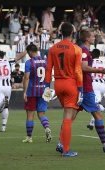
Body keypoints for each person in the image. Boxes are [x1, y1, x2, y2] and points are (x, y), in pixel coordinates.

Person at [43, 22, 83, 157]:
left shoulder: (53, 48)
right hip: (71, 84)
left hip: (58, 84)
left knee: (69, 115)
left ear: (60, 33)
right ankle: (65, 149)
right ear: (72, 32)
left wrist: (46, 86)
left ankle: (62, 142)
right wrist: (81, 89)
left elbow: (48, 69)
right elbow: (78, 71)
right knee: (68, 117)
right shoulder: (76, 49)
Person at [78, 28, 105, 153]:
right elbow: (83, 67)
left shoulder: (85, 51)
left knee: (70, 116)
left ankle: (61, 144)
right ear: (87, 38)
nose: (94, 38)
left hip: (85, 87)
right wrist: (102, 71)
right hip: (86, 88)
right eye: (93, 36)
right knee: (98, 114)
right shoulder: (84, 51)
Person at [23, 44, 52, 143]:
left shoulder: (29, 62)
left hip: (32, 91)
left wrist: (24, 92)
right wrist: (48, 87)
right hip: (44, 90)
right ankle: (47, 127)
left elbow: (26, 78)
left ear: (30, 52)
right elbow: (50, 76)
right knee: (41, 113)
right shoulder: (46, 61)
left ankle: (29, 137)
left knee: (30, 114)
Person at [87, 49, 105, 130]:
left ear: (92, 55)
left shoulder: (90, 62)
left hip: (94, 85)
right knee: (96, 103)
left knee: (94, 104)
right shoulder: (104, 63)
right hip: (103, 86)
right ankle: (91, 124)